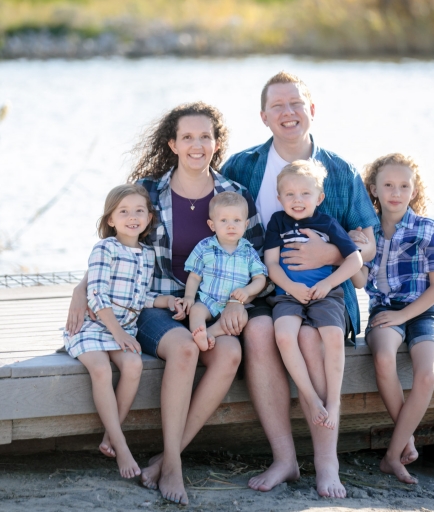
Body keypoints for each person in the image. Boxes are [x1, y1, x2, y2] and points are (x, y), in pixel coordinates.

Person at [66, 102, 264, 506]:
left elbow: (253, 256)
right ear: (172, 143)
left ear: (217, 143)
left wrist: (238, 302)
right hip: (154, 304)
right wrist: (80, 288)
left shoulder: (235, 195)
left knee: (229, 354)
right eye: (187, 137)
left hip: (211, 304)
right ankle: (173, 465)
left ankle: (167, 457)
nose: (197, 145)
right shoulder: (150, 192)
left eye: (205, 136)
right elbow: (117, 244)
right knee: (186, 348)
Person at [222, 71, 379, 498]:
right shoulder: (242, 166)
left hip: (327, 289)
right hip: (262, 286)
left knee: (311, 338)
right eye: (277, 105)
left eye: (296, 103)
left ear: (311, 110)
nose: (288, 112)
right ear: (264, 116)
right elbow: (213, 217)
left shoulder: (340, 171)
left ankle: (327, 463)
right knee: (259, 332)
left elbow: (367, 242)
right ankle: (285, 459)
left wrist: (329, 255)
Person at [63, 184, 182, 479]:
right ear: (111, 219)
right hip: (93, 326)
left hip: (123, 328)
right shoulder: (105, 249)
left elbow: (139, 298)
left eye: (139, 211)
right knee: (101, 369)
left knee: (133, 365)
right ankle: (122, 445)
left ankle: (109, 435)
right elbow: (96, 294)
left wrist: (166, 301)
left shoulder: (147, 255)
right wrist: (118, 333)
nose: (132, 217)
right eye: (124, 211)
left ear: (149, 218)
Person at [358, 153, 434, 485]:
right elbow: (358, 282)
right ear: (374, 189)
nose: (396, 193)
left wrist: (405, 314)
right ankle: (405, 441)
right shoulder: (367, 232)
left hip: (424, 310)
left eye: (404, 186)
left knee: (426, 375)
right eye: (388, 185)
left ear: (414, 190)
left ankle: (391, 457)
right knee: (383, 357)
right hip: (384, 309)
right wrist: (354, 252)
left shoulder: (427, 229)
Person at [264, 160, 362, 431]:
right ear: (279, 198)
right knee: (284, 336)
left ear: (319, 198)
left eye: (305, 193)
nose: (297, 200)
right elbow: (271, 264)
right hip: (288, 294)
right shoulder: (277, 223)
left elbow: (355, 260)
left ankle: (334, 401)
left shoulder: (327, 223)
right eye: (290, 194)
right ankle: (310, 396)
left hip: (325, 294)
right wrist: (291, 287)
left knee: (333, 335)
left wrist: (329, 284)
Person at [183, 191, 268, 351]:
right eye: (223, 220)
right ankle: (198, 332)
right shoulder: (205, 247)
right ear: (212, 225)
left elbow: (260, 278)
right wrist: (189, 296)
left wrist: (247, 291)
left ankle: (210, 333)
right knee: (196, 311)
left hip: (235, 304)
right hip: (208, 301)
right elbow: (194, 276)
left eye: (237, 220)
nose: (231, 225)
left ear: (246, 224)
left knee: (242, 318)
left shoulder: (249, 251)